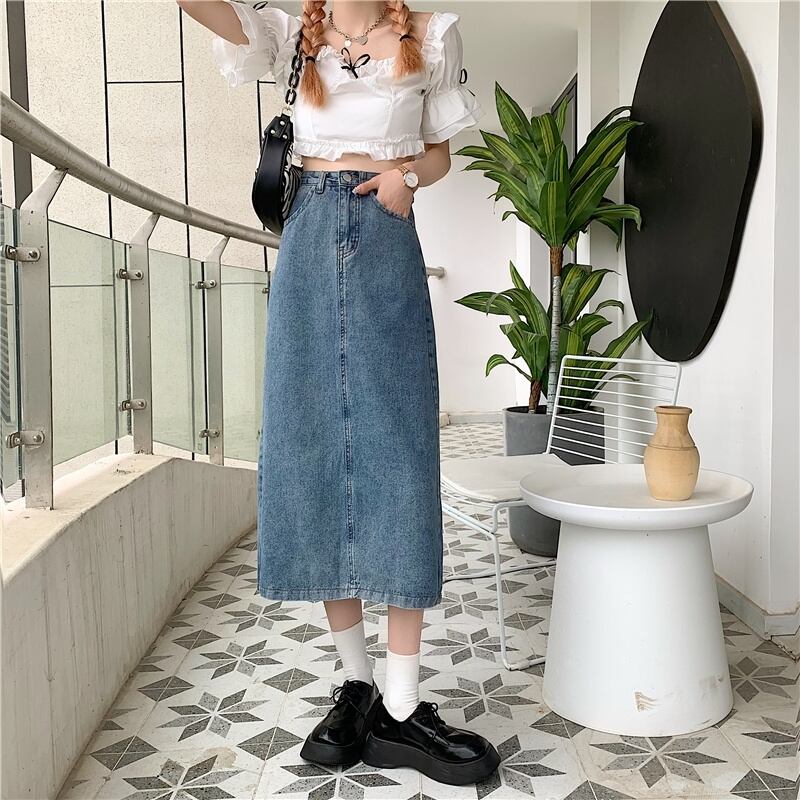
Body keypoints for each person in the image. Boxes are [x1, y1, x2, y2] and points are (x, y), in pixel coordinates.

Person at [177, 0, 500, 785]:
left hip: (385, 230)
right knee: (313, 441)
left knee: (401, 453)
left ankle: (401, 705)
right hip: (308, 234)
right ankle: (357, 685)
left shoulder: (432, 33)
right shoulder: (294, 33)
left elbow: (439, 154)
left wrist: (405, 177)